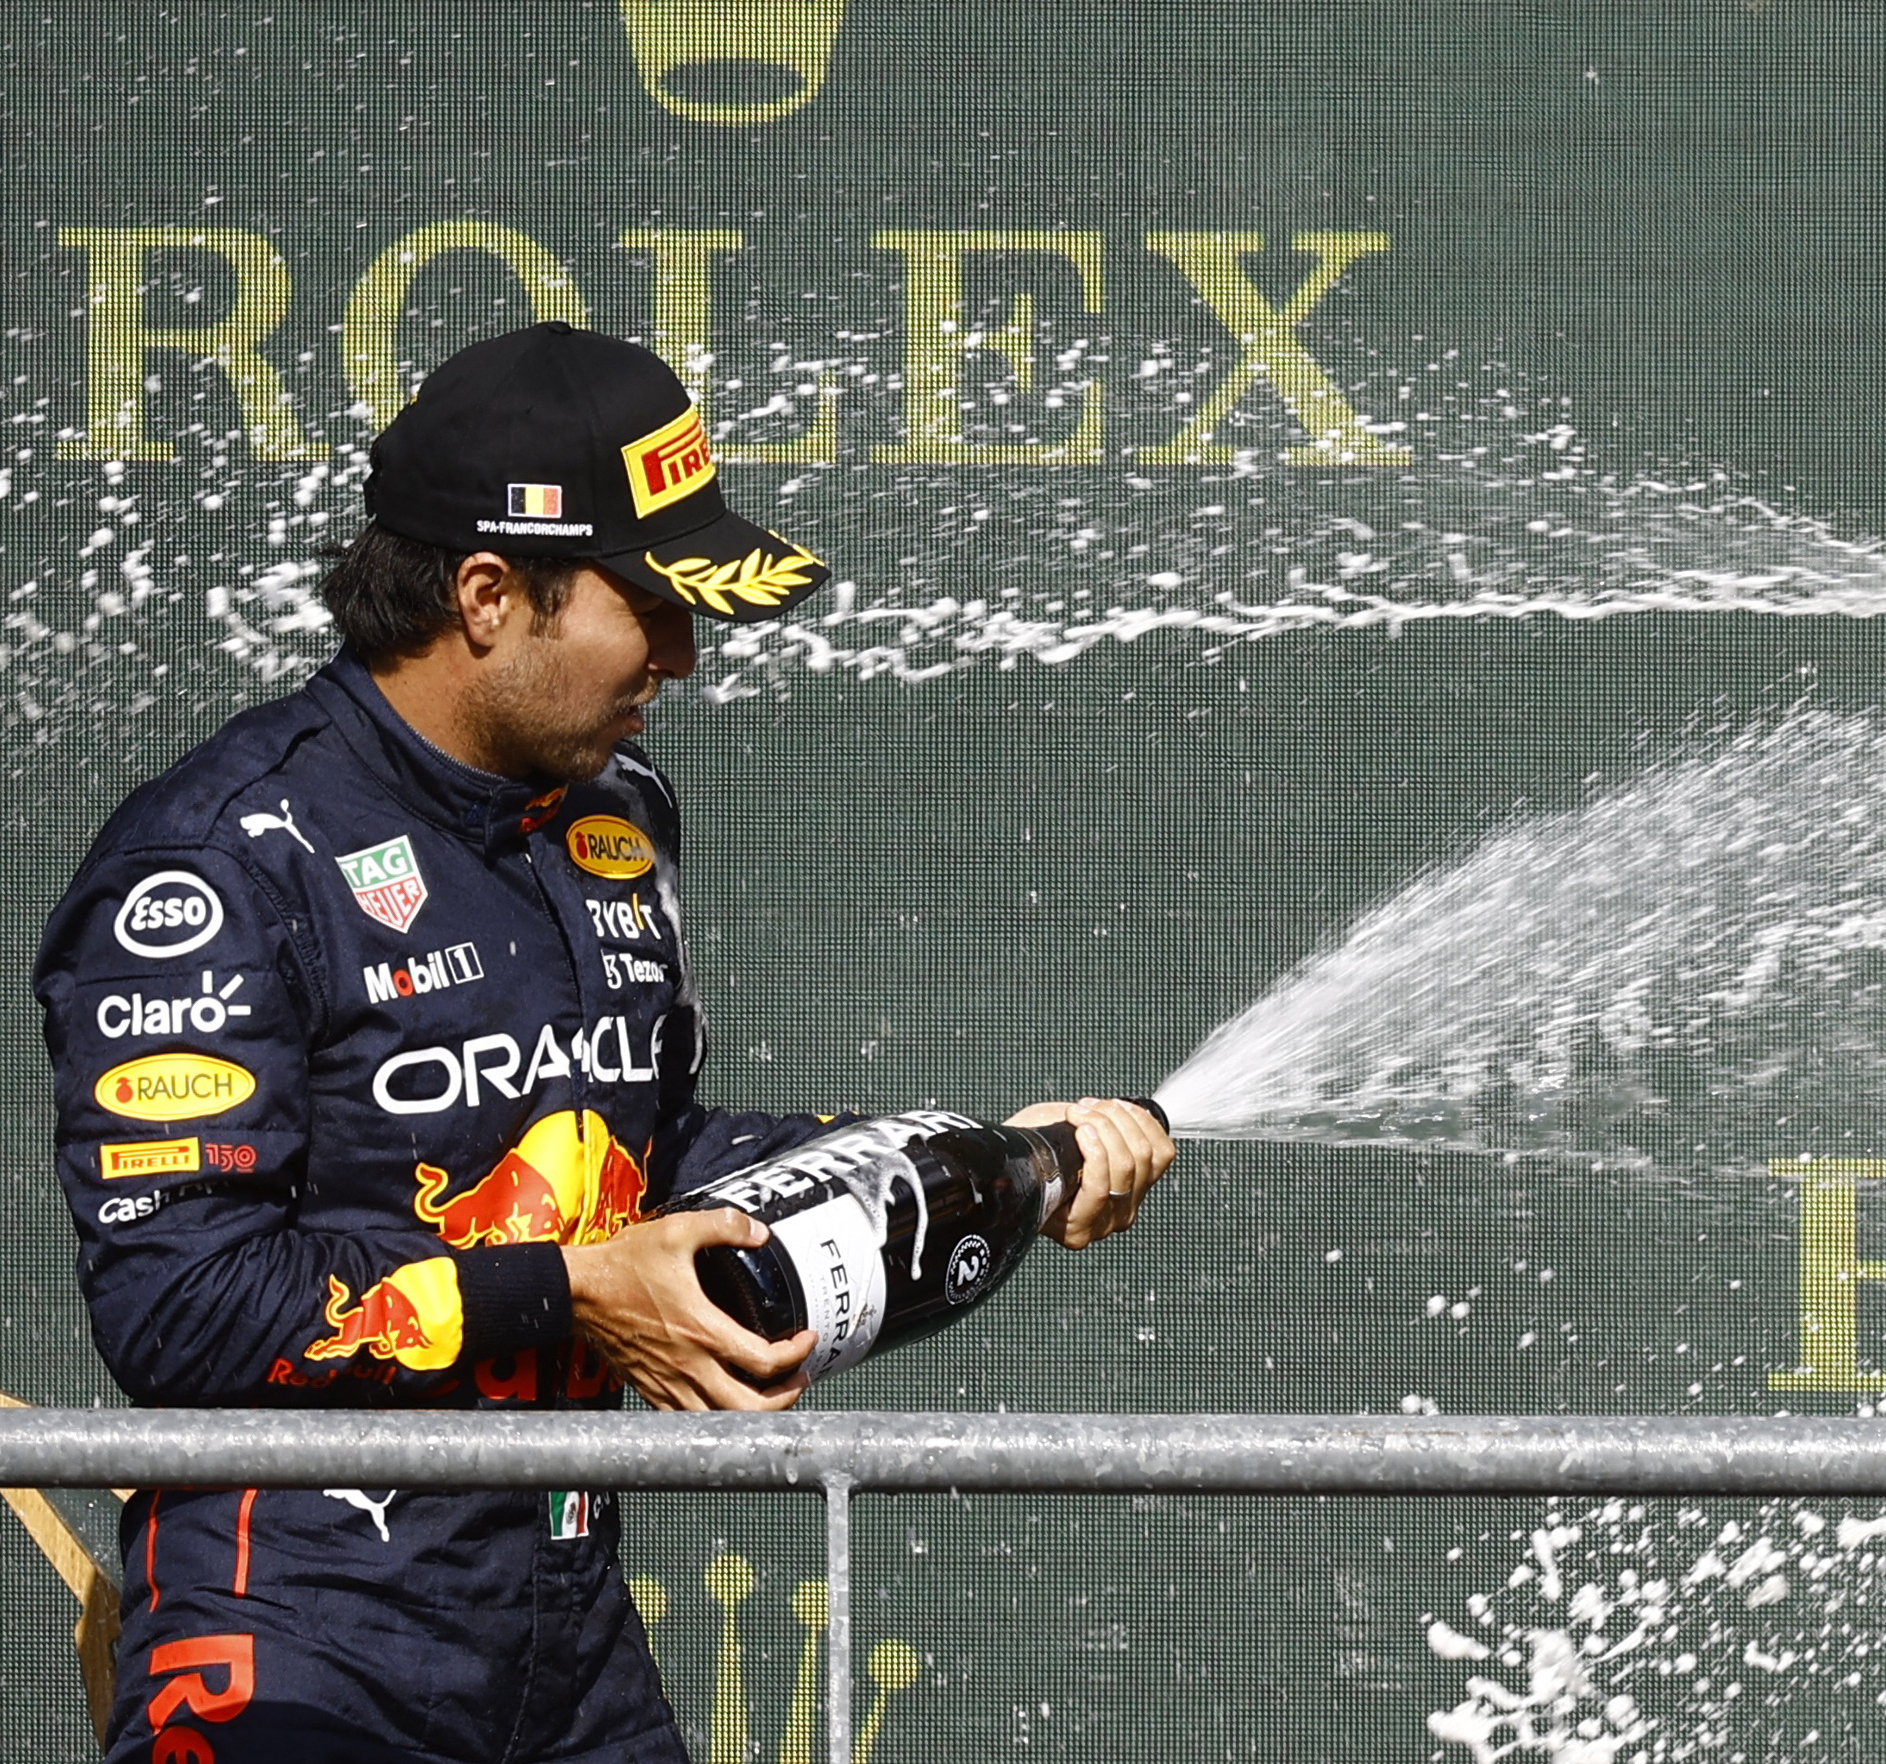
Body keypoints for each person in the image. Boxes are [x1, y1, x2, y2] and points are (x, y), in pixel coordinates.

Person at [34, 322, 1177, 1762]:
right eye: (651, 605)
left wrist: (971, 1159)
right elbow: (180, 1310)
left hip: (560, 1639)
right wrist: (573, 1293)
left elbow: (648, 1155)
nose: (686, 657)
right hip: (297, 1643)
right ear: (490, 593)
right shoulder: (217, 862)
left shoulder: (615, 812)